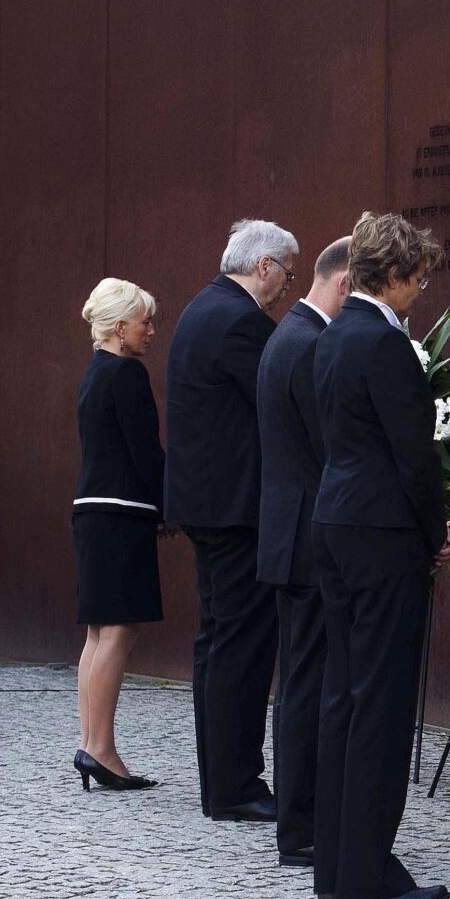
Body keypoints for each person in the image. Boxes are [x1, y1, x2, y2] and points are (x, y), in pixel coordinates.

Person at [309, 213, 450, 899]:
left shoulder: (331, 337)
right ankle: (367, 871)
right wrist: (436, 530)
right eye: (416, 278)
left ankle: (336, 864)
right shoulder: (386, 345)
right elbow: (414, 457)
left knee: (344, 693)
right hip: (382, 530)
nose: (419, 291)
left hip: (335, 520)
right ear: (390, 274)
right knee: (383, 701)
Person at [164, 219, 297, 822]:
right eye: (287, 275)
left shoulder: (201, 308)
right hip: (236, 509)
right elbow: (281, 401)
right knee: (240, 646)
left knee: (217, 642)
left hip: (207, 505)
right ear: (263, 266)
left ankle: (221, 781)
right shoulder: (241, 319)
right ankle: (236, 785)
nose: (288, 290)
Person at [257, 236, 353, 867]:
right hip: (311, 538)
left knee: (298, 681)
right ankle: (303, 826)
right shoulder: (313, 343)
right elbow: (333, 450)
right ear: (344, 284)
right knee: (308, 684)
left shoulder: (286, 333)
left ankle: (300, 821)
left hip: (289, 532)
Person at [72, 281, 168, 792]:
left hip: (92, 512)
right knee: (117, 633)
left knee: (97, 634)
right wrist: (171, 505)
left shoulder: (94, 373)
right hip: (121, 514)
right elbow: (146, 452)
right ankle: (101, 749)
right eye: (144, 322)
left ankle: (90, 743)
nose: (151, 331)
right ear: (118, 327)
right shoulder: (127, 373)